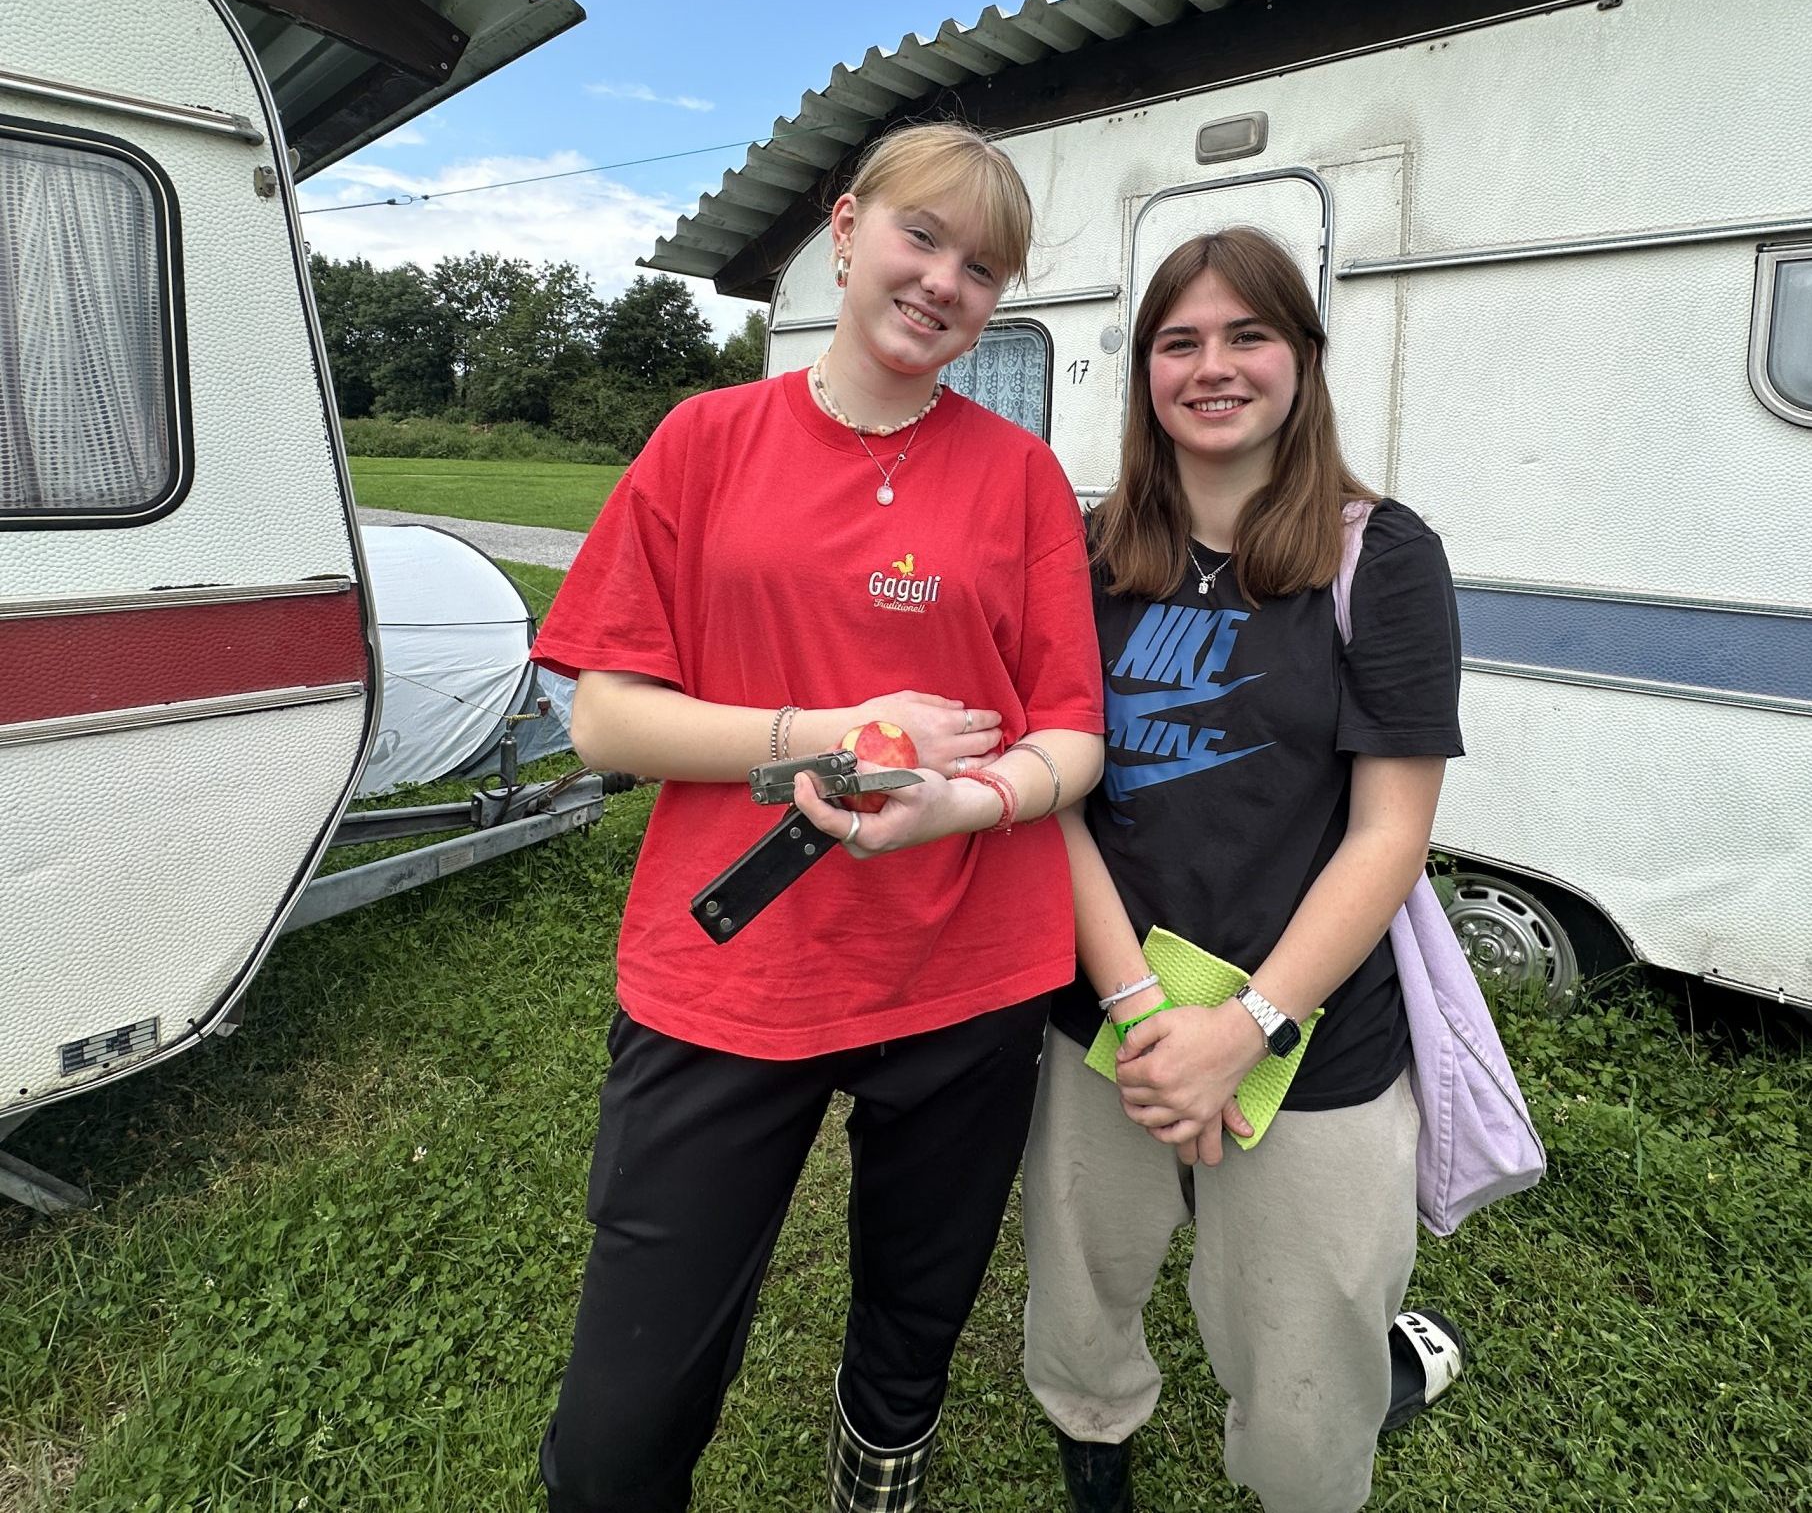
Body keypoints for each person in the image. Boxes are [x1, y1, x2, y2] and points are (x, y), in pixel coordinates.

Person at [530, 121, 1106, 1513]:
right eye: (923, 236)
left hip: (969, 964)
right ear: (845, 233)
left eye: (983, 268)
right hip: (733, 963)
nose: (945, 282)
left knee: (914, 1324)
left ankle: (876, 1481)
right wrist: (831, 735)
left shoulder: (1022, 476)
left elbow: (1073, 736)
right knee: (625, 1412)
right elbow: (605, 716)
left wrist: (964, 802)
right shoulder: (707, 440)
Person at [1021, 227, 1466, 1513]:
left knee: (1308, 1352)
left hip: (1313, 1036)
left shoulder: (1383, 559)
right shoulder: (1084, 557)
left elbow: (1389, 836)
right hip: (1103, 1016)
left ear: (1302, 358)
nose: (1212, 367)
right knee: (1083, 1285)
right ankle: (1094, 1443)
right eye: (1179, 342)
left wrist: (1246, 1028)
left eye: (1247, 335)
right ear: (1146, 372)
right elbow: (1056, 804)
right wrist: (1140, 1012)